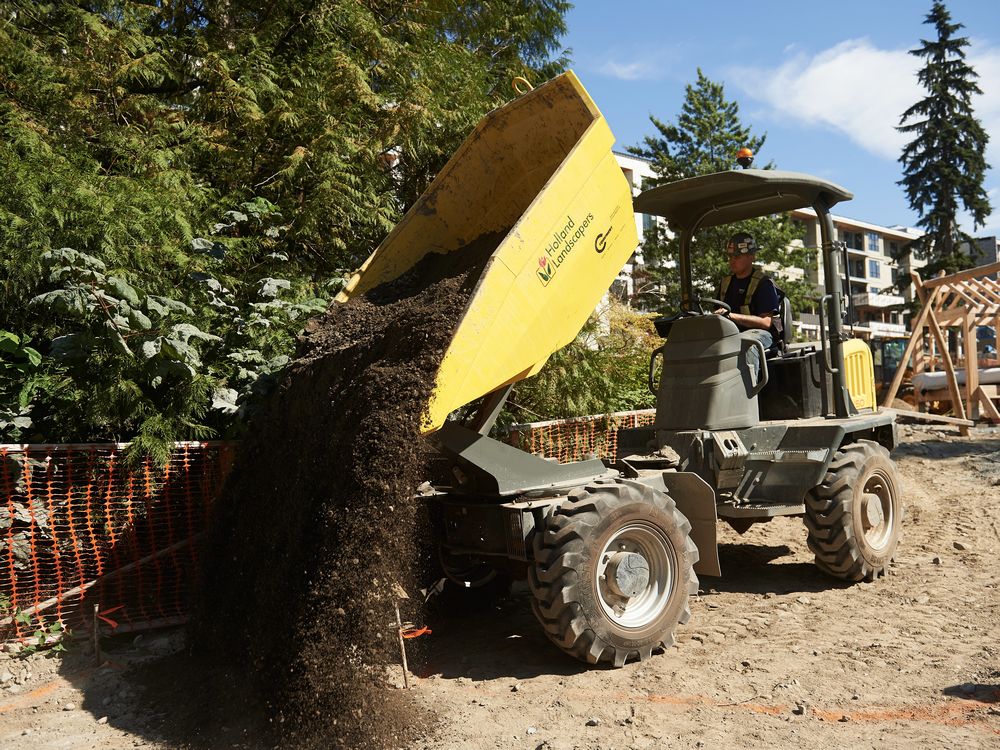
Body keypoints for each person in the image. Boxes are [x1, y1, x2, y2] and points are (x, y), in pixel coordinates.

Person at [716, 232, 780, 377]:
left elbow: (766, 322)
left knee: (747, 345)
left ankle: (748, 390)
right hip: (731, 334)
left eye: (737, 256)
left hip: (761, 335)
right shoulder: (725, 283)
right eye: (730, 257)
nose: (732, 261)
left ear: (751, 256)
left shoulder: (764, 284)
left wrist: (731, 316)